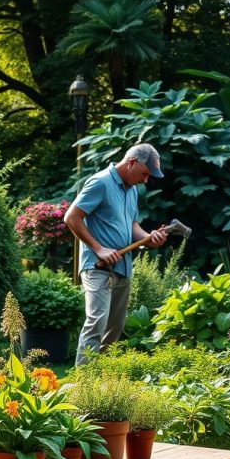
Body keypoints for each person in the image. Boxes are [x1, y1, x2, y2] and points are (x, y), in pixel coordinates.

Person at [64, 143, 168, 365]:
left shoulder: (131, 191)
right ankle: (83, 384)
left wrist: (149, 238)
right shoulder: (100, 183)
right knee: (97, 322)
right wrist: (98, 248)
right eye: (144, 174)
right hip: (97, 268)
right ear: (131, 162)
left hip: (122, 267)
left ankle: (103, 383)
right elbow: (71, 217)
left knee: (114, 329)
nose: (145, 180)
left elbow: (131, 226)